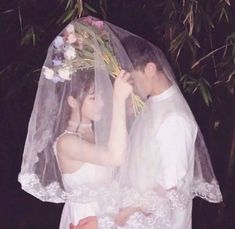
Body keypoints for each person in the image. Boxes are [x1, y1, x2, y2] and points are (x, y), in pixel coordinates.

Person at [72, 33, 223, 229]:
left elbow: (169, 190)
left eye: (132, 78)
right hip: (135, 219)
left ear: (150, 68)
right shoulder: (153, 103)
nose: (130, 86)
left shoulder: (175, 118)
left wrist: (110, 220)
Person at [18, 18, 134, 229]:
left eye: (102, 95)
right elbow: (115, 157)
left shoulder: (97, 134)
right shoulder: (66, 143)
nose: (102, 102)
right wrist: (118, 100)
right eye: (92, 97)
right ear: (72, 100)